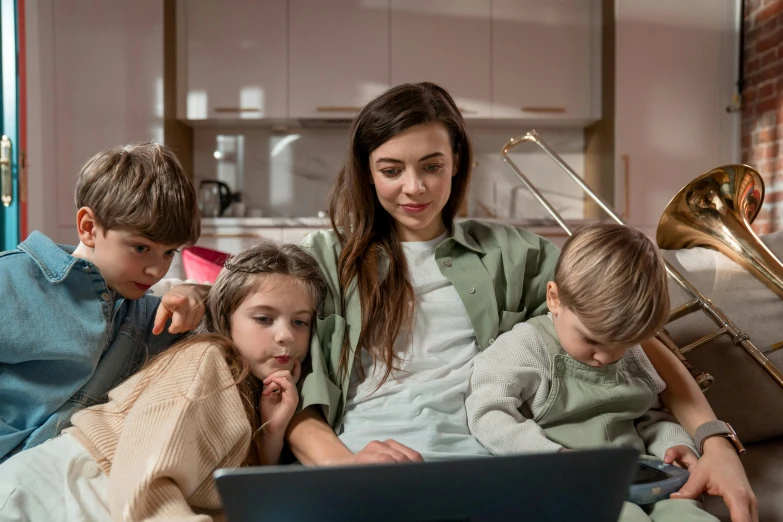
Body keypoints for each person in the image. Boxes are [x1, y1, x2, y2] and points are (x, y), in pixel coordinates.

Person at [286, 82, 757, 522]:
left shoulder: (519, 254)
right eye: (391, 170)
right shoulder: (321, 260)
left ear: (456, 162)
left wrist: (715, 442)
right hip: (368, 463)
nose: (415, 188)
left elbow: (632, 337)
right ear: (368, 174)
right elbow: (279, 384)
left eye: (432, 166)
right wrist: (340, 465)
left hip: (493, 467)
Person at [0, 241, 326, 521]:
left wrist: (271, 432)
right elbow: (145, 484)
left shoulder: (259, 388)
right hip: (55, 493)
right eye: (263, 319)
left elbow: (232, 491)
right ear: (226, 318)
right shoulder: (206, 361)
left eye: (300, 322)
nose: (285, 336)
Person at [465, 222, 718, 521]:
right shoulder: (525, 345)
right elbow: (487, 413)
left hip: (639, 473)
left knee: (687, 512)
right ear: (555, 299)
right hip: (565, 482)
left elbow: (652, 416)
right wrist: (552, 458)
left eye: (624, 344)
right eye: (591, 340)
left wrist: (675, 444)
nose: (606, 356)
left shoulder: (634, 355)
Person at [0, 142, 209, 462]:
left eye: (169, 253)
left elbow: (237, 302)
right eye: (141, 248)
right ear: (88, 228)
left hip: (60, 473)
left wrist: (196, 292)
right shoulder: (12, 280)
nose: (156, 269)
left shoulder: (145, 314)